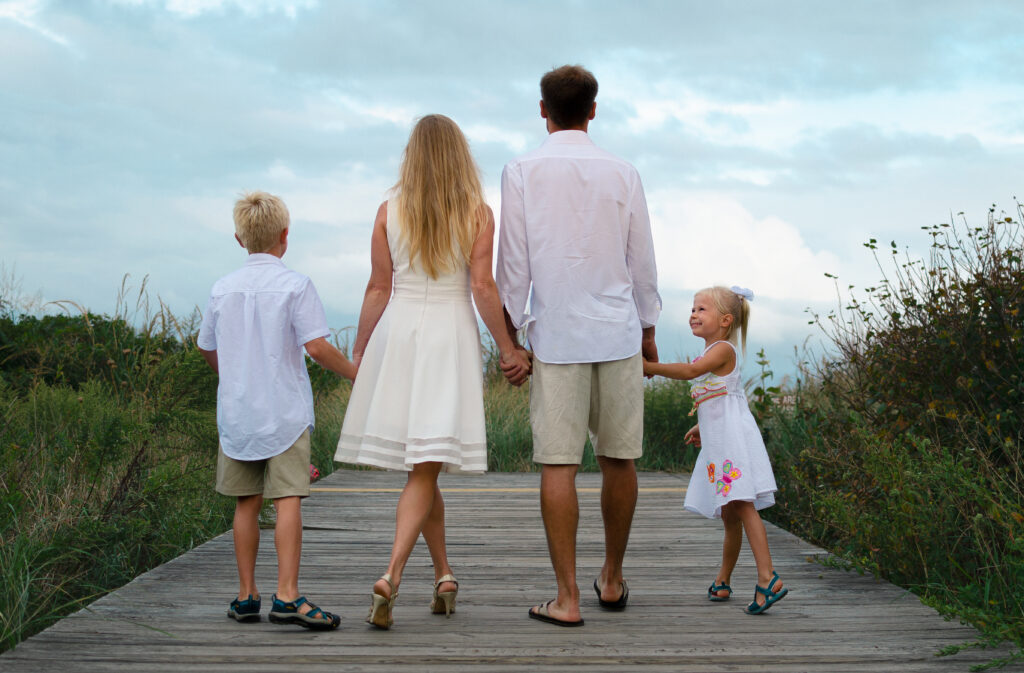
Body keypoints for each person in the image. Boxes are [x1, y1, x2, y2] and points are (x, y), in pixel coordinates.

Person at [336, 114, 531, 629]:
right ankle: (392, 574)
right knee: (425, 463)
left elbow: (378, 287)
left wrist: (360, 353)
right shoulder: (477, 213)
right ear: (460, 156)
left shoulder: (387, 211)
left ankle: (444, 574)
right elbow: (483, 288)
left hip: (399, 331)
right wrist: (508, 348)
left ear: (412, 155)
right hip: (448, 333)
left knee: (423, 464)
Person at [496, 64, 661, 627]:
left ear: (542, 110)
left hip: (558, 333)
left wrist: (511, 337)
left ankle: (566, 598)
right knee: (620, 458)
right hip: (616, 331)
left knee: (558, 464)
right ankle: (611, 579)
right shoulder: (624, 171)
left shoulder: (521, 170)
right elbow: (642, 259)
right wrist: (648, 326)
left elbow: (513, 263)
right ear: (594, 110)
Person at [198, 191, 356, 630]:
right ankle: (286, 595)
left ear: (238, 239)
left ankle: (246, 594)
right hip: (284, 413)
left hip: (238, 416)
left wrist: (232, 377)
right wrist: (356, 374)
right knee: (288, 500)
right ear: (285, 236)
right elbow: (318, 347)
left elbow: (207, 347)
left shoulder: (221, 289)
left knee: (246, 503)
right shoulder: (296, 285)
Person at [643, 286, 788, 614]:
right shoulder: (715, 352)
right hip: (722, 439)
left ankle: (768, 577)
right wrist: (701, 427)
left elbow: (691, 373)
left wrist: (650, 367)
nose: (693, 314)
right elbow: (725, 397)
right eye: (693, 308)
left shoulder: (722, 350)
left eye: (702, 309)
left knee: (742, 505)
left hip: (732, 442)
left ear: (725, 320)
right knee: (730, 514)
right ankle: (723, 580)